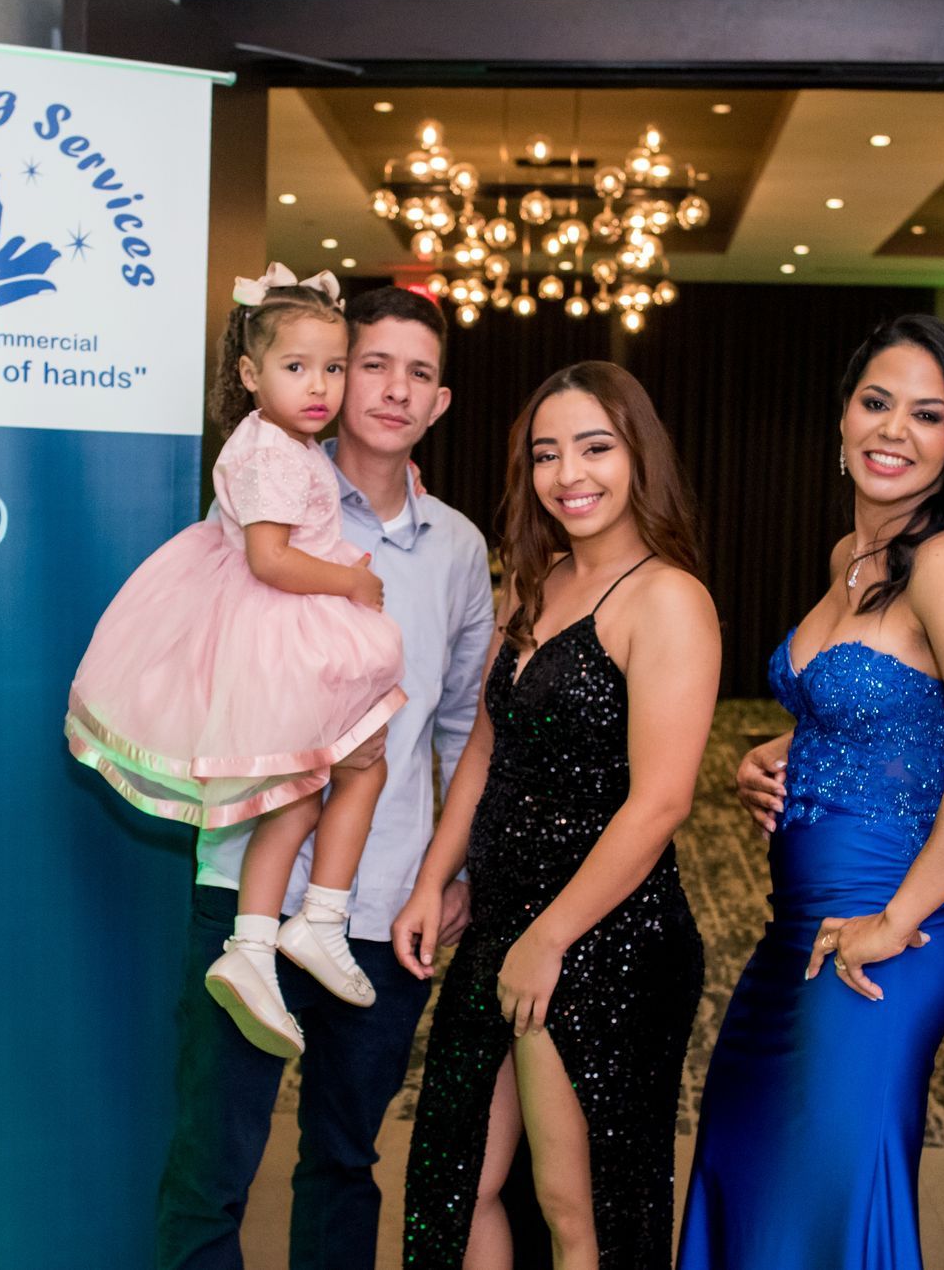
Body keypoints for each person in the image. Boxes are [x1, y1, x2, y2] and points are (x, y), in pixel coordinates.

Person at [153, 284, 495, 1270]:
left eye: (418, 374)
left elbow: (466, 725)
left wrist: (448, 872)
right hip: (244, 893)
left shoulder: (460, 550)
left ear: (440, 403)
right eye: (372, 363)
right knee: (208, 1168)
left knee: (346, 1161)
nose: (392, 389)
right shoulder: (260, 500)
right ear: (337, 378)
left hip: (384, 910)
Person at [701, 315, 944, 1267]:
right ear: (843, 418)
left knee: (826, 1198)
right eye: (876, 402)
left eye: (927, 415)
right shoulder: (850, 561)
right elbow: (888, 707)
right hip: (795, 936)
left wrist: (899, 916)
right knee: (750, 1163)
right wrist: (777, 748)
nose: (894, 430)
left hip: (881, 943)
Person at [395, 361, 719, 1270]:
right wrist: (434, 879)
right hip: (503, 923)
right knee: (459, 1182)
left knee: (577, 1210)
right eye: (547, 454)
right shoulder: (532, 585)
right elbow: (486, 753)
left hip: (603, 938)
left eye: (594, 447)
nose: (569, 474)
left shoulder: (669, 600)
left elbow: (662, 800)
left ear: (638, 456)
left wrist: (551, 937)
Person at [67, 262, 408, 1056]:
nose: (320, 386)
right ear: (252, 374)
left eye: (333, 367)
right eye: (297, 368)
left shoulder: (276, 442)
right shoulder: (276, 455)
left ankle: (259, 942)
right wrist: (354, 582)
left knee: (303, 790)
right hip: (279, 635)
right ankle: (315, 918)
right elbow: (271, 561)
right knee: (358, 768)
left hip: (274, 637)